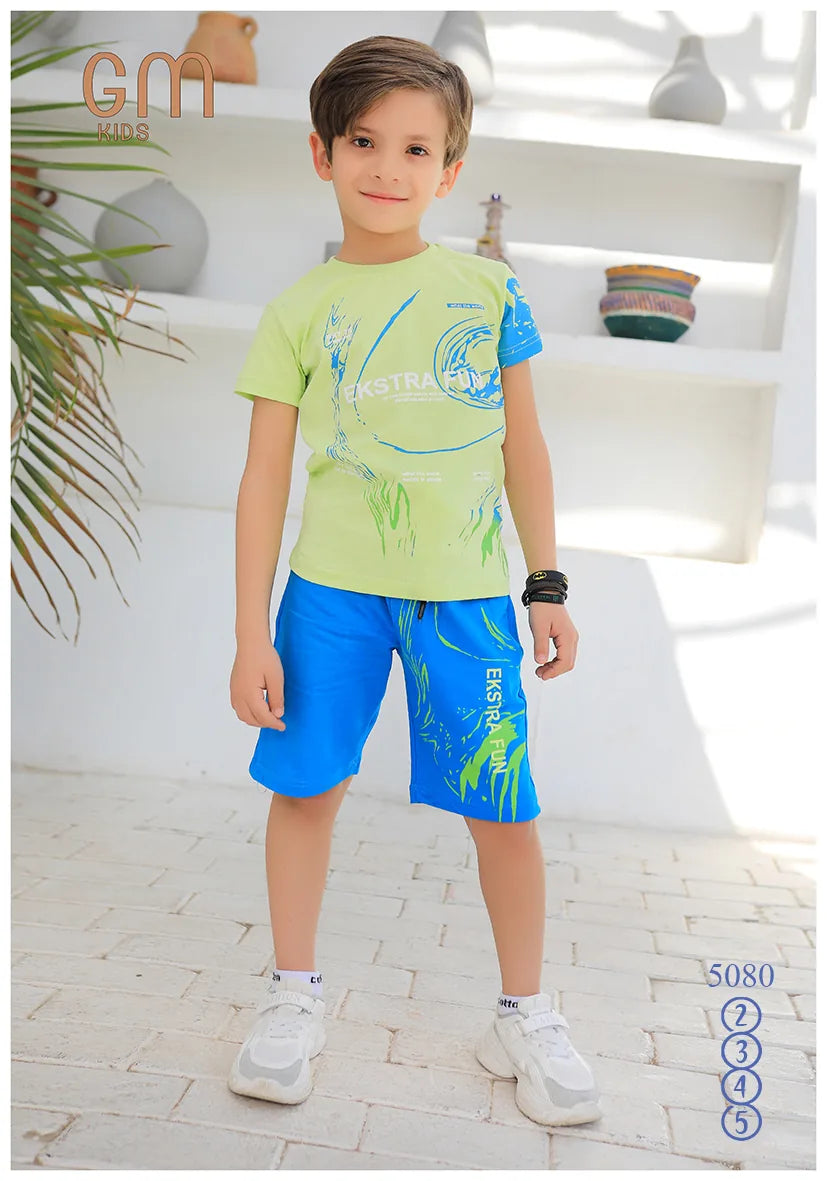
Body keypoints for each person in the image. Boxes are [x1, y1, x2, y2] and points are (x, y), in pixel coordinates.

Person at [226, 34, 601, 1128]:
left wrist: (545, 582)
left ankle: (522, 1013)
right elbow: (261, 481)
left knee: (504, 811)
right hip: (327, 599)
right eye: (362, 141)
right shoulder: (297, 310)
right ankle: (293, 992)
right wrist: (252, 632)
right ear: (320, 152)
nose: (386, 167)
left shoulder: (489, 293)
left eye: (415, 148)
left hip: (468, 601)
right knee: (304, 787)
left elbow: (521, 449)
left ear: (448, 169)